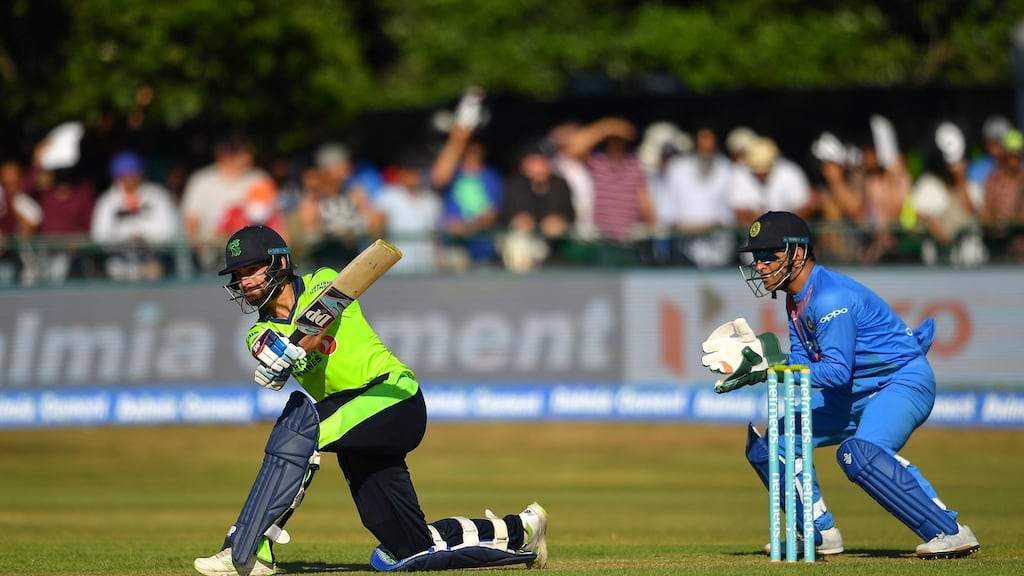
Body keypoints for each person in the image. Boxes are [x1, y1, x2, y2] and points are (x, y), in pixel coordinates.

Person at [193, 225, 547, 576]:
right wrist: (277, 360)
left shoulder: (325, 280)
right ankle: (522, 530)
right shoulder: (257, 331)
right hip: (354, 426)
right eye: (239, 276)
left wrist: (295, 347)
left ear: (280, 263)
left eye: (252, 270)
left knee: (299, 430)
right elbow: (264, 347)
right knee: (405, 549)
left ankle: (249, 547)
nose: (246, 282)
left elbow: (319, 324)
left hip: (391, 396)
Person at [700, 211, 980, 559]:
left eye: (768, 256)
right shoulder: (795, 300)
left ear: (797, 253)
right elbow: (806, 365)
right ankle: (819, 533)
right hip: (853, 393)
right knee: (774, 445)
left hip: (900, 382)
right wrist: (769, 363)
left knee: (858, 454)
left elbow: (833, 372)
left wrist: (776, 365)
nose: (759, 266)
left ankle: (948, 530)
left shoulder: (829, 298)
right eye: (757, 258)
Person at [90, 150, 180, 281]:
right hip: (118, 268)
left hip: (153, 264)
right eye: (125, 174)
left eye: (134, 173)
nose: (130, 178)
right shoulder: (107, 201)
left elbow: (169, 232)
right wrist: (125, 239)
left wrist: (145, 238)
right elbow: (99, 236)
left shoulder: (157, 196)